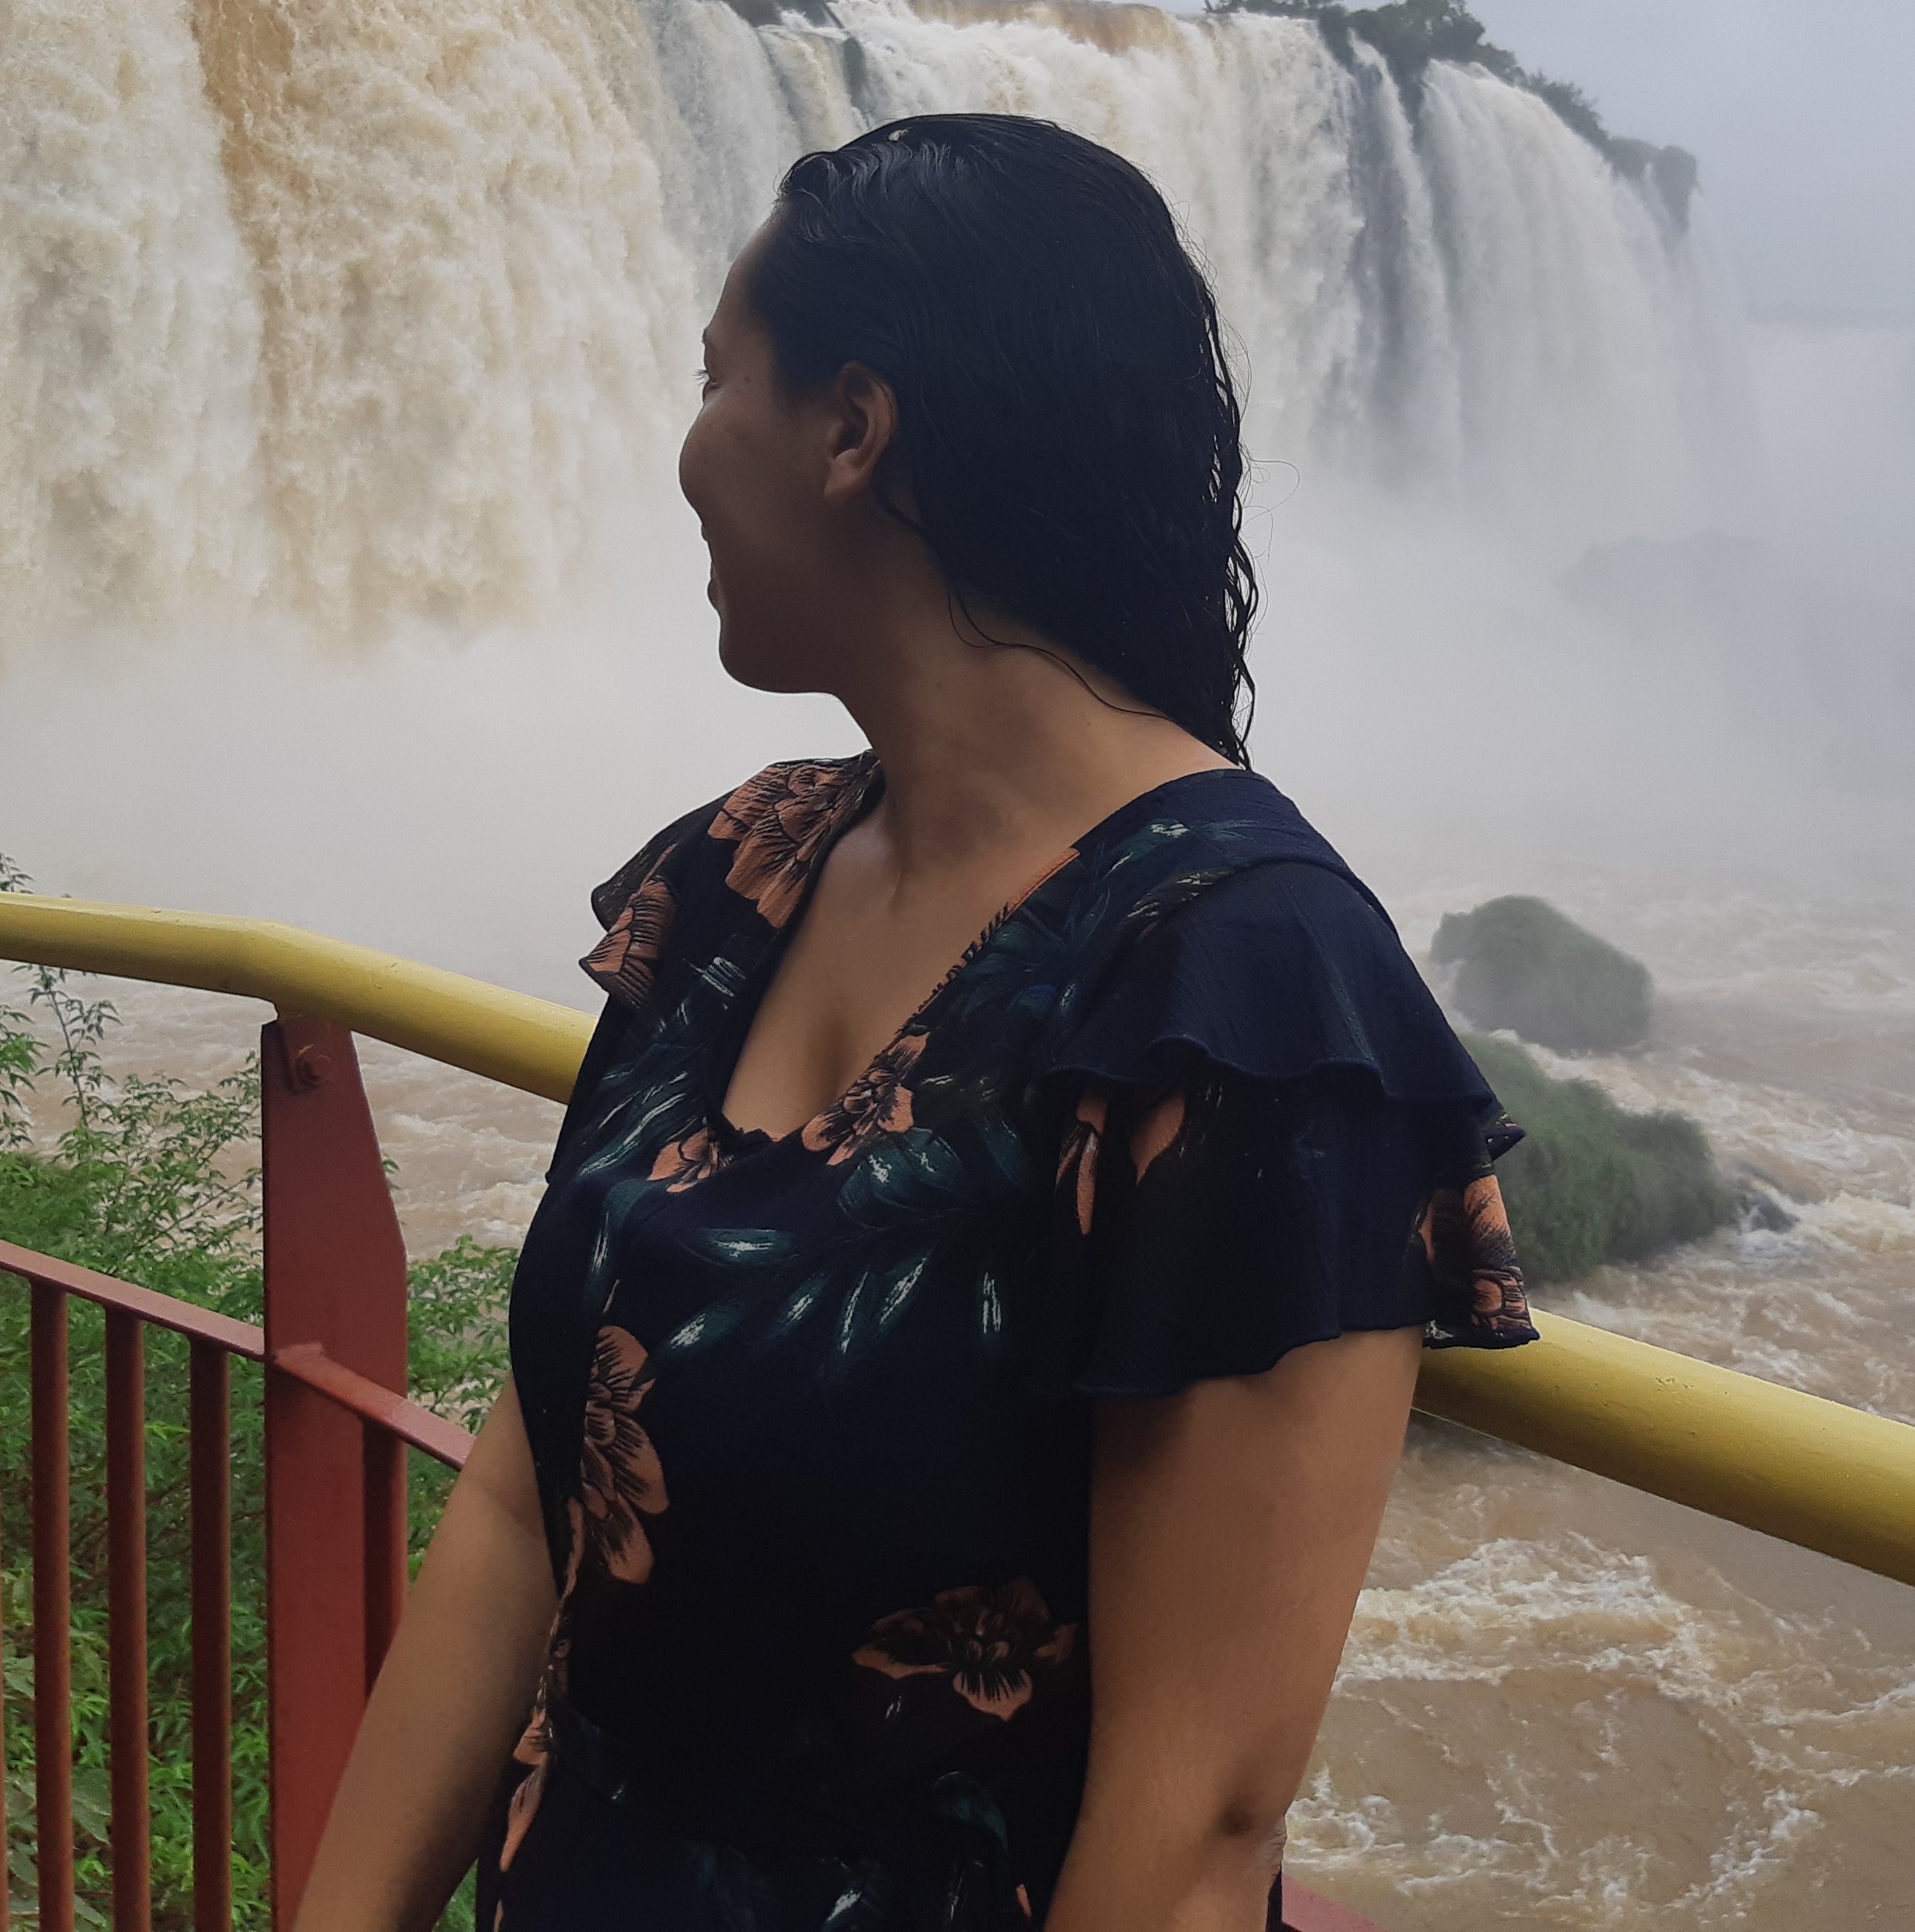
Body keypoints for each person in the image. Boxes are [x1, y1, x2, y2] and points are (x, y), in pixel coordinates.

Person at [297, 115, 1532, 1932]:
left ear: (852, 430)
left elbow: (1196, 1819)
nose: (686, 452)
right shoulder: (736, 877)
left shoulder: (1234, 989)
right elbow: (524, 1494)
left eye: (715, 380)